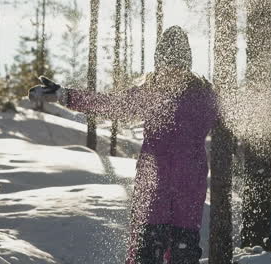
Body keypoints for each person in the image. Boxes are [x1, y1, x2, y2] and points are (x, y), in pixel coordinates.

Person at [28, 26, 219, 264]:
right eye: (167, 64)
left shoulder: (204, 97)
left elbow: (235, 115)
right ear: (159, 64)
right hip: (154, 192)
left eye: (176, 64)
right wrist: (64, 95)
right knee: (149, 253)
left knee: (183, 253)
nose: (172, 72)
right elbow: (109, 104)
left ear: (185, 64)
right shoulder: (155, 93)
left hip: (186, 193)